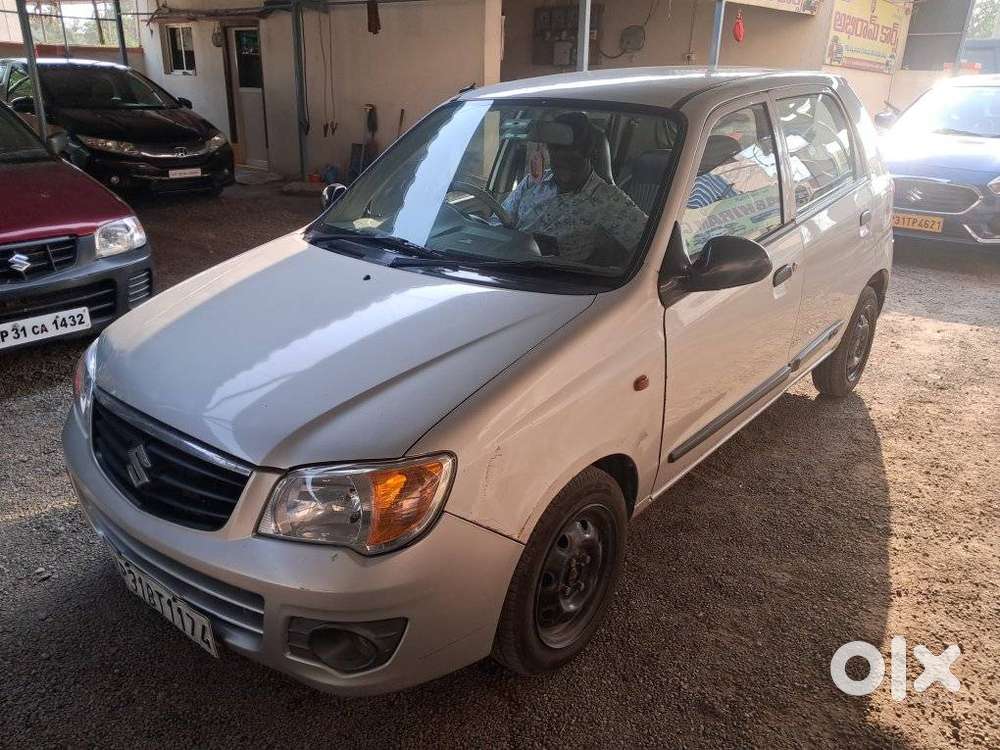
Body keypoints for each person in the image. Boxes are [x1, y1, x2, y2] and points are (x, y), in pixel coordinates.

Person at [501, 112, 648, 265]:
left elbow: (652, 243)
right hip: (506, 266)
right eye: (557, 154)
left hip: (557, 281)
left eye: (572, 158)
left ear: (590, 154)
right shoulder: (531, 182)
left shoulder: (608, 199)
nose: (564, 164)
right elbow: (500, 223)